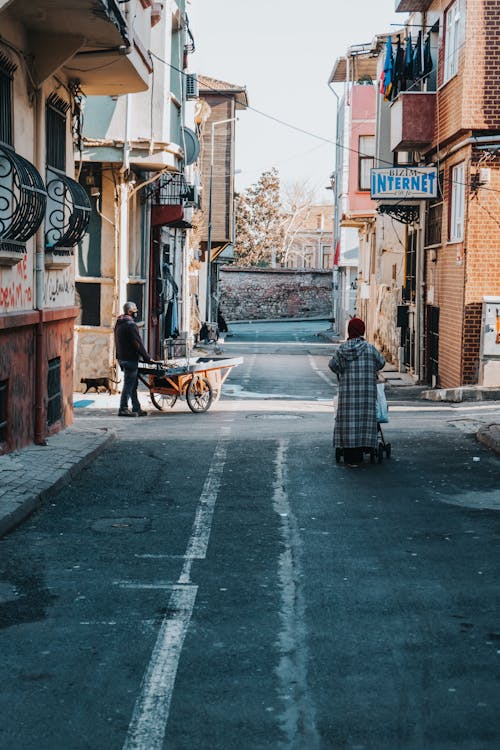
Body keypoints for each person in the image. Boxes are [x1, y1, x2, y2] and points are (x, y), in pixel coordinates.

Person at [328, 317, 385, 467]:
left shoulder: (342, 350)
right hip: (366, 396)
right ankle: (365, 446)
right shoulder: (369, 349)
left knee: (349, 423)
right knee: (365, 421)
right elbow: (381, 363)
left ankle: (350, 458)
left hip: (348, 397)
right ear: (362, 331)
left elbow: (332, 366)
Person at [114, 302, 152, 416]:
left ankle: (136, 407)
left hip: (122, 358)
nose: (136, 313)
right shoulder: (130, 325)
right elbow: (137, 344)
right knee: (128, 385)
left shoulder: (119, 323)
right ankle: (123, 408)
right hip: (130, 359)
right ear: (130, 312)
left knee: (133, 384)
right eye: (135, 311)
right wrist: (147, 358)